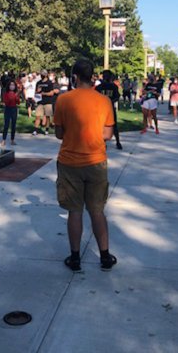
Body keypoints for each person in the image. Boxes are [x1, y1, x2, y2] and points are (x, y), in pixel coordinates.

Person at [54, 59, 117, 272]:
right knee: (97, 210)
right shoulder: (104, 101)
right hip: (96, 161)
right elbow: (107, 134)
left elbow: (59, 134)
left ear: (74, 77)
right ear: (92, 76)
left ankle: (75, 258)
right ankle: (105, 256)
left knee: (75, 211)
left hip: (70, 162)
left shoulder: (63, 100)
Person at [96, 70, 122, 149]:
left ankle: (115, 142)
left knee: (106, 126)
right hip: (107, 109)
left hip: (106, 109)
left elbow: (117, 97)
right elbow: (117, 97)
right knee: (112, 125)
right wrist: (110, 101)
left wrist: (109, 101)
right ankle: (116, 142)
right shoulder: (100, 87)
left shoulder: (101, 87)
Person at [33, 70, 54, 136]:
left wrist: (44, 93)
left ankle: (46, 130)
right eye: (41, 74)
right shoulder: (38, 82)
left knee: (47, 116)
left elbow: (51, 93)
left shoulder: (49, 83)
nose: (41, 75)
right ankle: (35, 130)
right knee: (37, 116)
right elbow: (36, 92)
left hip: (48, 102)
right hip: (40, 102)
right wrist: (37, 92)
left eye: (43, 74)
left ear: (46, 75)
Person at [1, 80, 20, 146]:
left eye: (13, 85)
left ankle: (12, 139)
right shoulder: (6, 93)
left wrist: (16, 97)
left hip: (14, 109)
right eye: (11, 85)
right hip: (8, 109)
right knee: (6, 124)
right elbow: (7, 102)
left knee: (13, 125)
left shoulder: (16, 93)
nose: (12, 86)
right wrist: (13, 97)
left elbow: (18, 102)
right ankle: (4, 139)